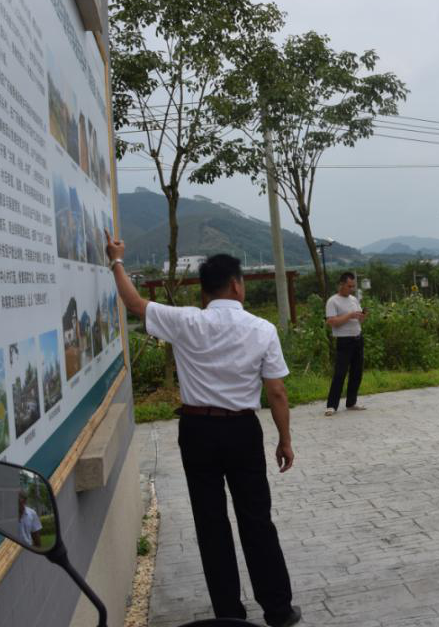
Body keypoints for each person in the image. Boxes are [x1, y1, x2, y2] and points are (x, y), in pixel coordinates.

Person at [104, 231, 301, 627]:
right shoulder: (262, 329)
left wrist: (117, 261)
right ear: (237, 285)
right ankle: (278, 610)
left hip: (197, 431)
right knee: (256, 520)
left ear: (204, 290)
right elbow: (277, 392)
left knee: (211, 523)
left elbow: (135, 304)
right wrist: (284, 440)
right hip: (243, 431)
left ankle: (229, 614)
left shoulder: (186, 321)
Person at [325, 271, 367, 416]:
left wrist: (362, 316)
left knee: (357, 372)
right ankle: (332, 405)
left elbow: (360, 319)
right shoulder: (333, 301)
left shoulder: (354, 299)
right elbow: (331, 322)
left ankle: (351, 402)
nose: (352, 289)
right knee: (340, 373)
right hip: (344, 341)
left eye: (353, 286)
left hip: (357, 338)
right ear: (341, 284)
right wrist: (349, 315)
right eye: (349, 286)